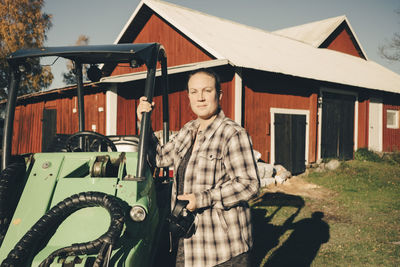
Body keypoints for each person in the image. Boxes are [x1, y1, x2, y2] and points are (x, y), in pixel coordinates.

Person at [137, 68, 260, 267]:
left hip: (221, 247)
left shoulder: (232, 133)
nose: (200, 98)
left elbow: (249, 185)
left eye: (207, 91)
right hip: (188, 242)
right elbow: (159, 158)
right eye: (194, 92)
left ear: (219, 95)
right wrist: (144, 122)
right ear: (188, 96)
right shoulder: (188, 130)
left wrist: (202, 199)